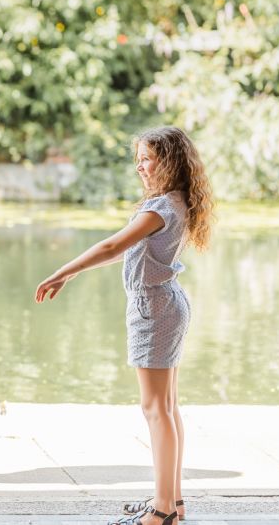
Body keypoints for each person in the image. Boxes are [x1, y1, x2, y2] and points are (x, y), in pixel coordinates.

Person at [36, 126, 214, 525]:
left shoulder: (160, 209)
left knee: (155, 409)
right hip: (166, 303)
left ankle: (163, 509)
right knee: (166, 407)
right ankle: (172, 500)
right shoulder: (175, 202)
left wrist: (65, 272)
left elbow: (111, 246)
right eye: (138, 157)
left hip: (155, 308)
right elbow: (127, 250)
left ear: (168, 162)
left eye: (147, 158)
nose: (140, 165)